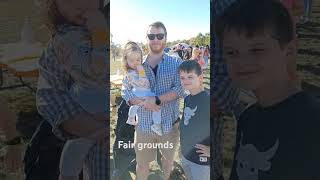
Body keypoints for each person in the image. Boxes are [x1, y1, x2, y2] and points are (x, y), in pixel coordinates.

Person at [217, 0, 320, 179]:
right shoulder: (247, 118)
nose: (242, 62)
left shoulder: (311, 119)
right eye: (232, 52)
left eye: (257, 50)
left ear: (289, 51)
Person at [36, 0, 109, 179]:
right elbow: (94, 74)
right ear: (54, 5)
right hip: (92, 125)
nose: (80, 3)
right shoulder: (67, 38)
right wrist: (100, 33)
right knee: (77, 151)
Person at [122, 21, 185, 180]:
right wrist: (136, 101)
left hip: (169, 125)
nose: (155, 39)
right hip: (143, 125)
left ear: (165, 38)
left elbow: (180, 88)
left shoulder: (176, 63)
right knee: (142, 165)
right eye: (151, 36)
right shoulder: (136, 63)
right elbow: (125, 89)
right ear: (147, 39)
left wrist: (156, 100)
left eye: (159, 35)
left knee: (167, 162)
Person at [121, 41, 163, 136]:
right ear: (126, 61)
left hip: (144, 93)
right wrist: (142, 73)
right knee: (152, 104)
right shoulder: (129, 74)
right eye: (131, 61)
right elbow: (142, 83)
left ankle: (132, 118)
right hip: (141, 92)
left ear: (141, 59)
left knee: (142, 105)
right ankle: (155, 124)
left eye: (138, 60)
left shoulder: (143, 67)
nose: (135, 63)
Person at [178, 60, 210, 180]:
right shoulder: (187, 99)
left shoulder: (208, 100)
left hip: (201, 161)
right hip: (186, 155)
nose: (185, 81)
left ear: (200, 78)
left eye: (190, 77)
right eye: (182, 77)